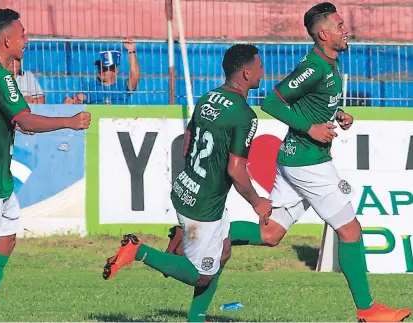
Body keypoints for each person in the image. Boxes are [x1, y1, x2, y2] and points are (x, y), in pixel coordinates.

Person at [164, 3, 411, 322]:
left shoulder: (329, 64)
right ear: (323, 34)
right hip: (307, 163)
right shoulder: (313, 67)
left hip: (297, 160)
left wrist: (336, 115)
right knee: (350, 231)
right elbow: (271, 101)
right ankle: (368, 311)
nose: (345, 29)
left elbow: (312, 102)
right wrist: (310, 128)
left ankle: (200, 237)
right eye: (339, 25)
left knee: (272, 234)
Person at [102, 44, 272, 322]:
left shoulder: (208, 98)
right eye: (260, 65)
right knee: (201, 276)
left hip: (186, 187)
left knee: (224, 250)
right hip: (204, 205)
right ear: (246, 72)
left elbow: (187, 143)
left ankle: (197, 317)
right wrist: (258, 202)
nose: (263, 71)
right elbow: (236, 168)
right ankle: (138, 251)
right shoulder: (244, 115)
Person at [0, 9, 91, 322]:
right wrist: (70, 121)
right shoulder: (0, 77)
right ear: (8, 39)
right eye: (23, 34)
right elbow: (25, 118)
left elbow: (3, 118)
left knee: (7, 240)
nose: (27, 39)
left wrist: (17, 122)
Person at [64, 40, 140, 104]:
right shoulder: (91, 87)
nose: (101, 70)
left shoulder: (122, 86)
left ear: (116, 70)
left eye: (105, 68)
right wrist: (73, 101)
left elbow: (135, 75)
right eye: (99, 67)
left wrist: (131, 51)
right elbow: (80, 97)